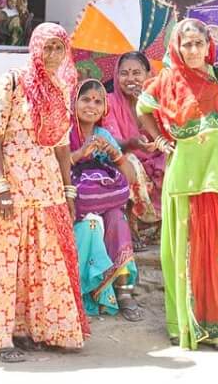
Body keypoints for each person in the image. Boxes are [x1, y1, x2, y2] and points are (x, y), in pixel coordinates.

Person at [136, 19, 218, 351]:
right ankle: (187, 324)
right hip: (183, 182)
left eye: (198, 44)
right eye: (186, 44)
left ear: (209, 46)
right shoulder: (165, 81)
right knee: (184, 256)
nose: (192, 50)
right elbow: (142, 109)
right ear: (177, 47)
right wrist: (162, 141)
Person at [0, 23, 88, 363]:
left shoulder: (61, 86)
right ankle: (1, 338)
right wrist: (1, 187)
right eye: (47, 47)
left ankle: (28, 328)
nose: (53, 55)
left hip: (48, 188)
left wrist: (69, 192)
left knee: (41, 262)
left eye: (59, 48)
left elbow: (61, 147)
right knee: (5, 261)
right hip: (11, 185)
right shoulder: (12, 81)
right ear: (34, 48)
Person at [69, 79, 143, 321]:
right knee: (91, 224)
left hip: (102, 202)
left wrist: (115, 154)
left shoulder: (103, 135)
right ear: (74, 103)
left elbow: (130, 178)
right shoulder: (64, 133)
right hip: (70, 205)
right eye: (86, 99)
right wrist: (79, 155)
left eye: (98, 101)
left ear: (104, 109)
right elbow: (50, 167)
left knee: (117, 219)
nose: (91, 105)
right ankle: (84, 293)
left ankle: (123, 292)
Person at [101, 51, 166, 231]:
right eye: (124, 73)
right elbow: (112, 141)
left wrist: (146, 103)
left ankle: (166, 227)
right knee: (129, 161)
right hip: (127, 159)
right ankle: (131, 228)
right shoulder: (109, 102)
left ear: (148, 74)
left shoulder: (158, 101)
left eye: (136, 73)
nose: (130, 78)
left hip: (158, 158)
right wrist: (133, 143)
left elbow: (170, 132)